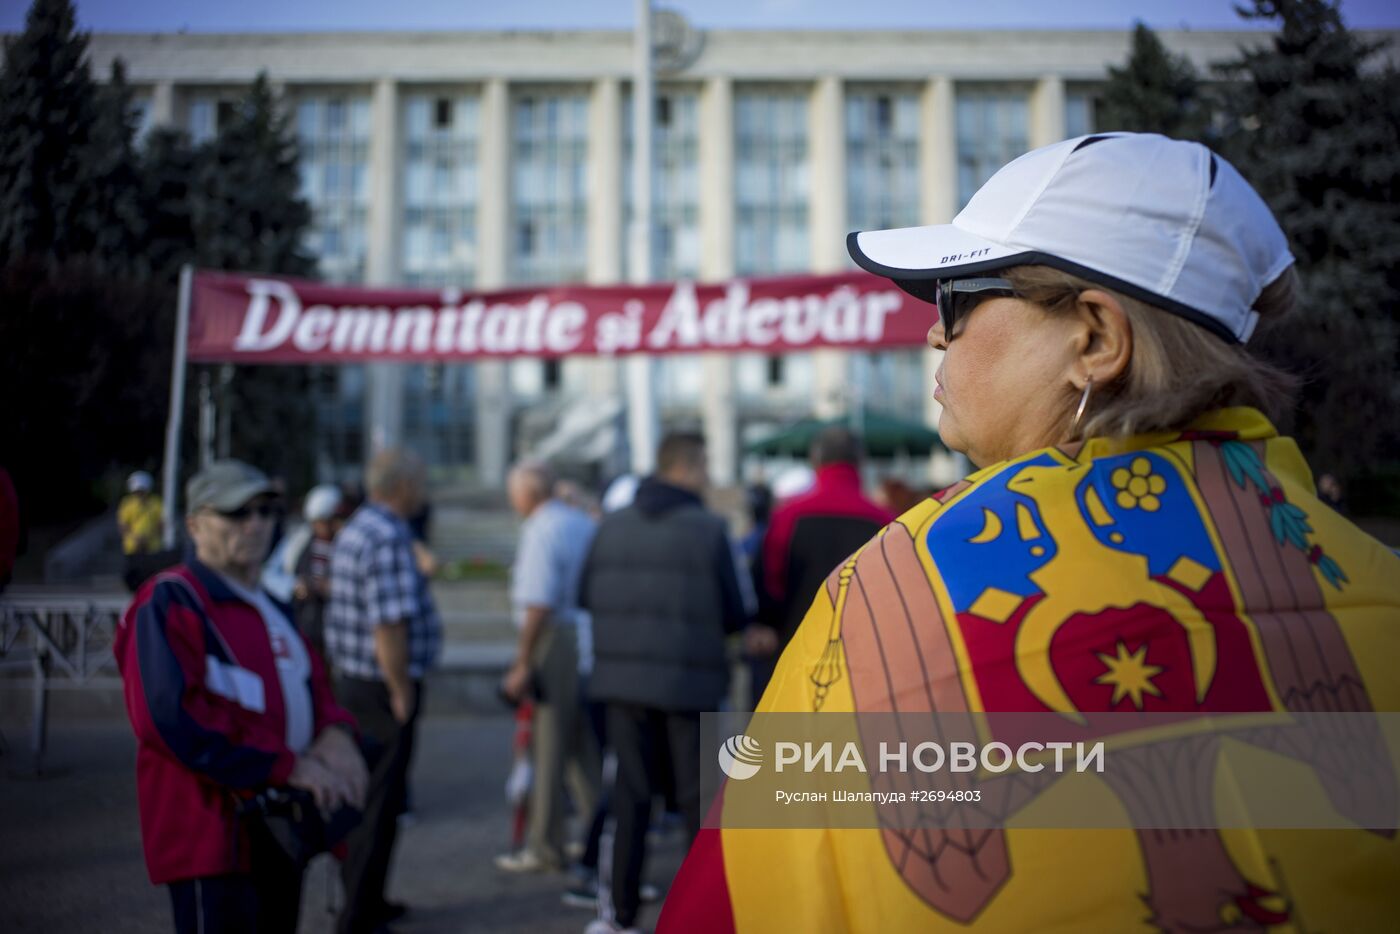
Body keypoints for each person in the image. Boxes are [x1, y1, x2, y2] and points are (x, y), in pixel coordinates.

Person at [660, 132, 1400, 931]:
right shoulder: (1375, 578)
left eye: (956, 297)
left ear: (1094, 338)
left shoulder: (900, 582)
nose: (935, 335)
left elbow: (727, 900)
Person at [113, 460, 367, 934]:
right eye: (236, 514)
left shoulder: (271, 604)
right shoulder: (170, 601)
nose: (257, 525)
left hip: (277, 834)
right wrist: (285, 764)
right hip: (212, 841)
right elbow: (168, 719)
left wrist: (336, 733)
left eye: (267, 511)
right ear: (194, 525)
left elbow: (314, 688)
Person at [581, 433, 756, 934]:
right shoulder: (709, 529)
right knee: (699, 803)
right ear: (690, 467)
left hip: (621, 683)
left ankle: (617, 916)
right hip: (692, 684)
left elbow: (585, 596)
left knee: (629, 799)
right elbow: (736, 611)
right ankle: (700, 918)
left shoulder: (609, 527)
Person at [325, 449, 443, 934]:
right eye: (421, 481)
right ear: (402, 486)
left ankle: (367, 899)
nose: (425, 490)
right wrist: (401, 691)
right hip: (380, 689)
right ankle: (358, 914)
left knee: (377, 799)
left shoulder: (362, 526)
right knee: (377, 802)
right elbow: (389, 626)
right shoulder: (389, 535)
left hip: (355, 682)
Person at [496, 461, 602, 873]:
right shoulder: (577, 521)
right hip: (582, 633)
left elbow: (538, 600)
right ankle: (599, 834)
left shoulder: (541, 528)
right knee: (580, 746)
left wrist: (523, 661)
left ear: (526, 493)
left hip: (554, 638)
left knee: (550, 744)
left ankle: (546, 845)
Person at [751, 427, 894, 703]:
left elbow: (769, 585)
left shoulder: (786, 517)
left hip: (795, 653)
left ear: (815, 461)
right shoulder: (886, 522)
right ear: (860, 463)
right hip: (862, 662)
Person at [290, 484, 345, 660]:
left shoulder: (345, 546)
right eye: (314, 522)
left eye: (322, 521)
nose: (317, 527)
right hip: (309, 621)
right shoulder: (306, 542)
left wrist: (327, 587)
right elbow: (291, 572)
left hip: (334, 626)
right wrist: (300, 586)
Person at [118, 470, 165, 591]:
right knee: (132, 575)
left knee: (151, 576)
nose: (139, 494)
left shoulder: (156, 503)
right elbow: (123, 525)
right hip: (133, 547)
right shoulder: (127, 504)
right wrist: (135, 538)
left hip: (151, 547)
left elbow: (160, 524)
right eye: (137, 491)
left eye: (141, 491)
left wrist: (148, 538)